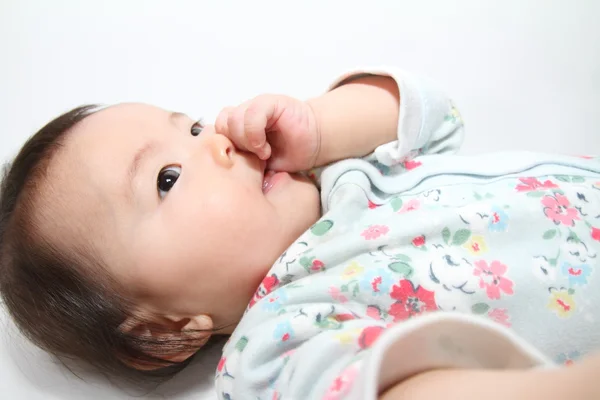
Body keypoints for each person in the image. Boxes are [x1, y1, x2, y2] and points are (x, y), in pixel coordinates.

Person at [0, 66, 599, 400]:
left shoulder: (344, 176)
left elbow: (436, 117)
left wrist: (319, 124)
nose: (217, 141)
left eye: (194, 127)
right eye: (167, 177)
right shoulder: (278, 343)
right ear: (163, 331)